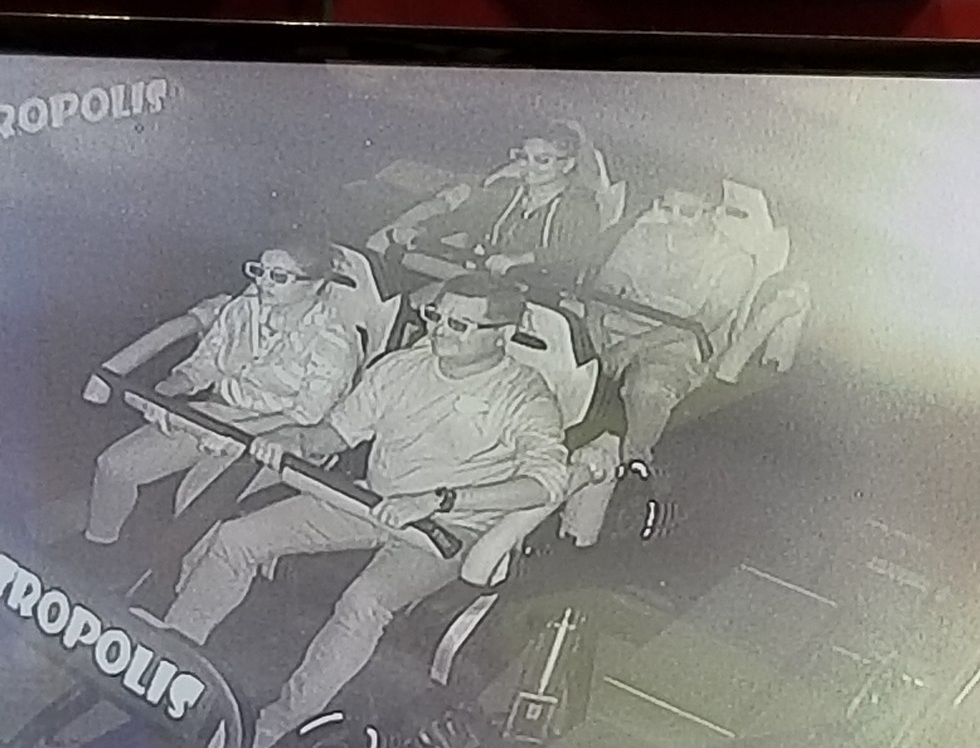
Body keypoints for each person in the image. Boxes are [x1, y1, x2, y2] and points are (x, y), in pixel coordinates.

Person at [160, 270, 572, 748]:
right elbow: (337, 431)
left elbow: (547, 482)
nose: (439, 330)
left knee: (365, 601)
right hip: (374, 501)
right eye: (436, 316)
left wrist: (442, 499)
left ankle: (276, 724)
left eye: (460, 325)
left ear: (502, 334)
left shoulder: (525, 395)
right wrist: (295, 440)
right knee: (236, 538)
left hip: (448, 528)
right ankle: (171, 655)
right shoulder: (401, 367)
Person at [83, 243, 361, 545]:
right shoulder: (243, 309)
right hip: (218, 414)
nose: (263, 282)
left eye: (279, 276)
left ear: (315, 285)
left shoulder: (333, 342)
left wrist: (234, 435)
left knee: (195, 501)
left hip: (281, 436)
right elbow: (205, 365)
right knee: (115, 466)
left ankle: (182, 571)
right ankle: (99, 544)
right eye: (260, 271)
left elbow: (307, 418)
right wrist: (166, 392)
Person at [586, 188, 755, 468]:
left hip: (679, 347)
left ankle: (635, 464)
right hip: (619, 328)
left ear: (714, 211)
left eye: (687, 212)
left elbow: (704, 322)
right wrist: (595, 325)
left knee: (649, 389)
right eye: (667, 209)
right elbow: (606, 285)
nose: (675, 219)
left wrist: (632, 346)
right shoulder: (643, 236)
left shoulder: (735, 261)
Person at [368, 122, 622, 278]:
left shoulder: (579, 206)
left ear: (567, 165)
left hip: (538, 296)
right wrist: (421, 230)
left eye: (542, 160)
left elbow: (571, 252)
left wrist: (518, 260)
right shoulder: (513, 193)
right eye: (523, 157)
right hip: (486, 280)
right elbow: (467, 218)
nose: (528, 167)